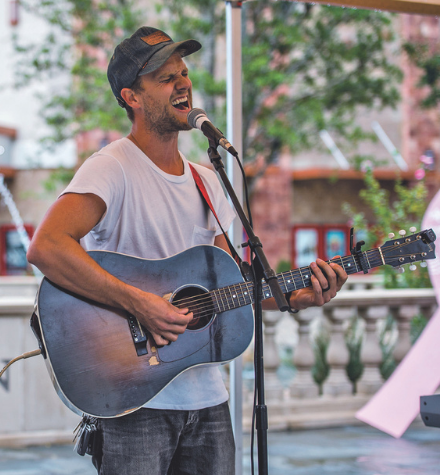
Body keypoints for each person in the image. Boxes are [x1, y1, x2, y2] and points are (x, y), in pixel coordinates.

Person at [25, 26, 348, 475]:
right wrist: (141, 303)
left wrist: (295, 298)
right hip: (134, 398)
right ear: (132, 97)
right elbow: (47, 247)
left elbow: (231, 283)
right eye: (164, 76)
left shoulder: (210, 180)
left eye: (184, 72)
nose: (183, 83)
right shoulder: (111, 168)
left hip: (208, 401)